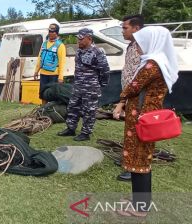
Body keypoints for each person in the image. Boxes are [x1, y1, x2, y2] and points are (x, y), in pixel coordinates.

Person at [113, 26, 178, 217]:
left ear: (152, 42)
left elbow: (134, 86)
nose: (138, 47)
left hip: (142, 120)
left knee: (139, 159)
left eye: (140, 43)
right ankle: (139, 201)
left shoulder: (152, 64)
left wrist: (121, 100)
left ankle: (140, 208)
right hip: (143, 117)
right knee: (140, 159)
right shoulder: (157, 62)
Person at [57, 28, 110, 141]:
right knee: (73, 107)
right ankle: (70, 128)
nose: (78, 41)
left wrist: (101, 84)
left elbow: (105, 70)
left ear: (89, 39)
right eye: (78, 39)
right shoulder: (79, 51)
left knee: (89, 110)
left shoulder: (97, 52)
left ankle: (85, 133)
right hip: (78, 86)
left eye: (81, 39)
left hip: (91, 88)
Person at [116, 14, 144, 182]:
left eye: (125, 28)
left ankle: (134, 168)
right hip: (129, 95)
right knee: (129, 130)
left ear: (136, 28)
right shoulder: (131, 46)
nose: (122, 31)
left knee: (136, 132)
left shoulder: (144, 46)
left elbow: (141, 74)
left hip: (139, 96)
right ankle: (128, 160)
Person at [34, 23, 66, 104]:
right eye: (49, 31)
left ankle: (50, 110)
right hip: (43, 73)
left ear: (57, 33)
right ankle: (43, 109)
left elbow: (62, 62)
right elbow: (39, 58)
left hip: (54, 74)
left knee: (52, 94)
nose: (51, 33)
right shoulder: (44, 44)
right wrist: (36, 71)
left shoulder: (60, 45)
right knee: (42, 93)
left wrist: (60, 77)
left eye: (53, 32)